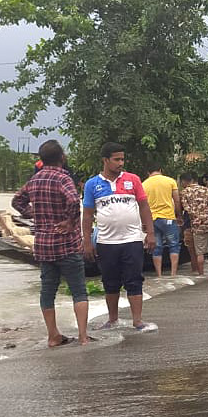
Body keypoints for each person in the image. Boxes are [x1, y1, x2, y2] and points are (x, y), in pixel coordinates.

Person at [12, 140, 91, 347]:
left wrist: (35, 215)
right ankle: (83, 336)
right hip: (67, 244)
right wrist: (69, 221)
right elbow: (74, 200)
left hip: (44, 245)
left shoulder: (34, 180)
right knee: (78, 290)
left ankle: (53, 335)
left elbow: (17, 202)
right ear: (62, 158)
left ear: (41, 159)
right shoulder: (63, 178)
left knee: (48, 291)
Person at [82, 142, 157, 332]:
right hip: (106, 242)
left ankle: (137, 321)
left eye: (122, 159)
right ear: (105, 160)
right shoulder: (92, 184)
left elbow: (144, 207)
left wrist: (150, 233)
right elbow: (88, 215)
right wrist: (86, 241)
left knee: (134, 280)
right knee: (110, 281)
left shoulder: (133, 180)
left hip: (132, 240)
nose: (121, 163)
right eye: (117, 159)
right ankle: (112, 319)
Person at [142, 165, 182, 279]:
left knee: (156, 247)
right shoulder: (170, 181)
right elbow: (177, 200)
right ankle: (173, 274)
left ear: (148, 172)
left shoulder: (144, 184)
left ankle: (159, 275)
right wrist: (178, 215)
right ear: (160, 170)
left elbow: (142, 205)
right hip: (168, 218)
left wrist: (144, 223)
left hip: (152, 220)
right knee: (174, 245)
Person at [179, 172, 208, 276]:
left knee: (199, 252)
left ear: (184, 181)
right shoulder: (205, 189)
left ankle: (201, 274)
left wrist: (197, 217)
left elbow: (187, 208)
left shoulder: (184, 192)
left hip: (196, 225)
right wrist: (204, 216)